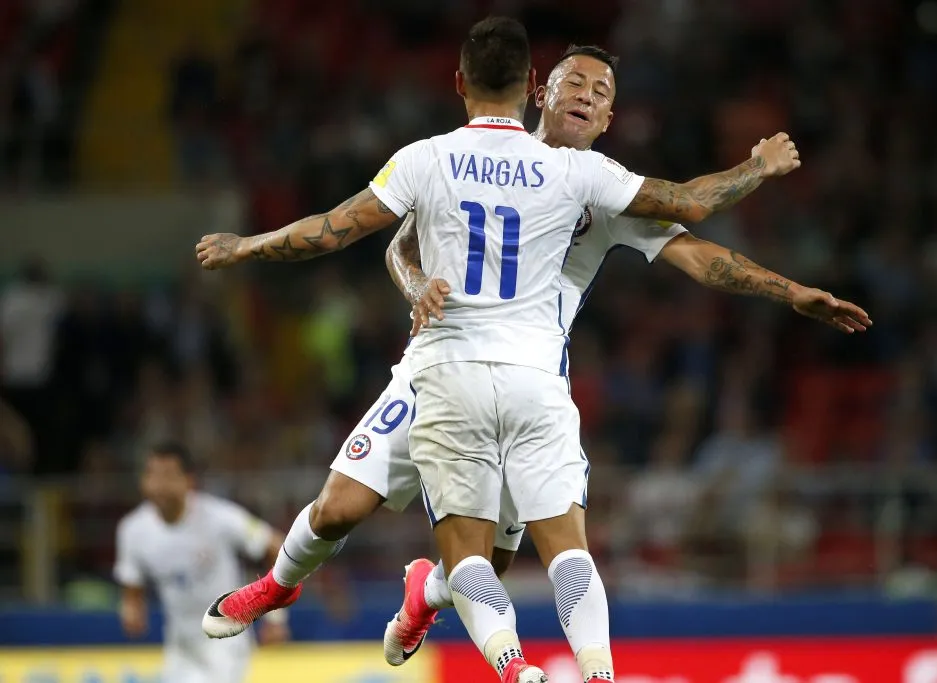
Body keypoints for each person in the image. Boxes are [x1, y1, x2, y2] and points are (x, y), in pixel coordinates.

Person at [194, 18, 864, 683]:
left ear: (609, 118)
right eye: (576, 82)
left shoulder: (600, 187)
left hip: (524, 379)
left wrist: (790, 291)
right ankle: (276, 586)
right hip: (435, 366)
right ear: (540, 91)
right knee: (340, 507)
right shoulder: (464, 161)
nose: (587, 96)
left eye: (602, 92)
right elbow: (399, 244)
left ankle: (427, 593)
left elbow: (701, 255)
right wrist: (416, 284)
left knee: (488, 562)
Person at [114, 441, 290, 683]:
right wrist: (132, 610)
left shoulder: (219, 518)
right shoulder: (133, 530)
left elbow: (276, 547)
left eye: (167, 476)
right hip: (180, 646)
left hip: (225, 639)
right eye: (152, 475)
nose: (158, 485)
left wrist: (275, 617)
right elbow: (132, 589)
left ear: (188, 481)